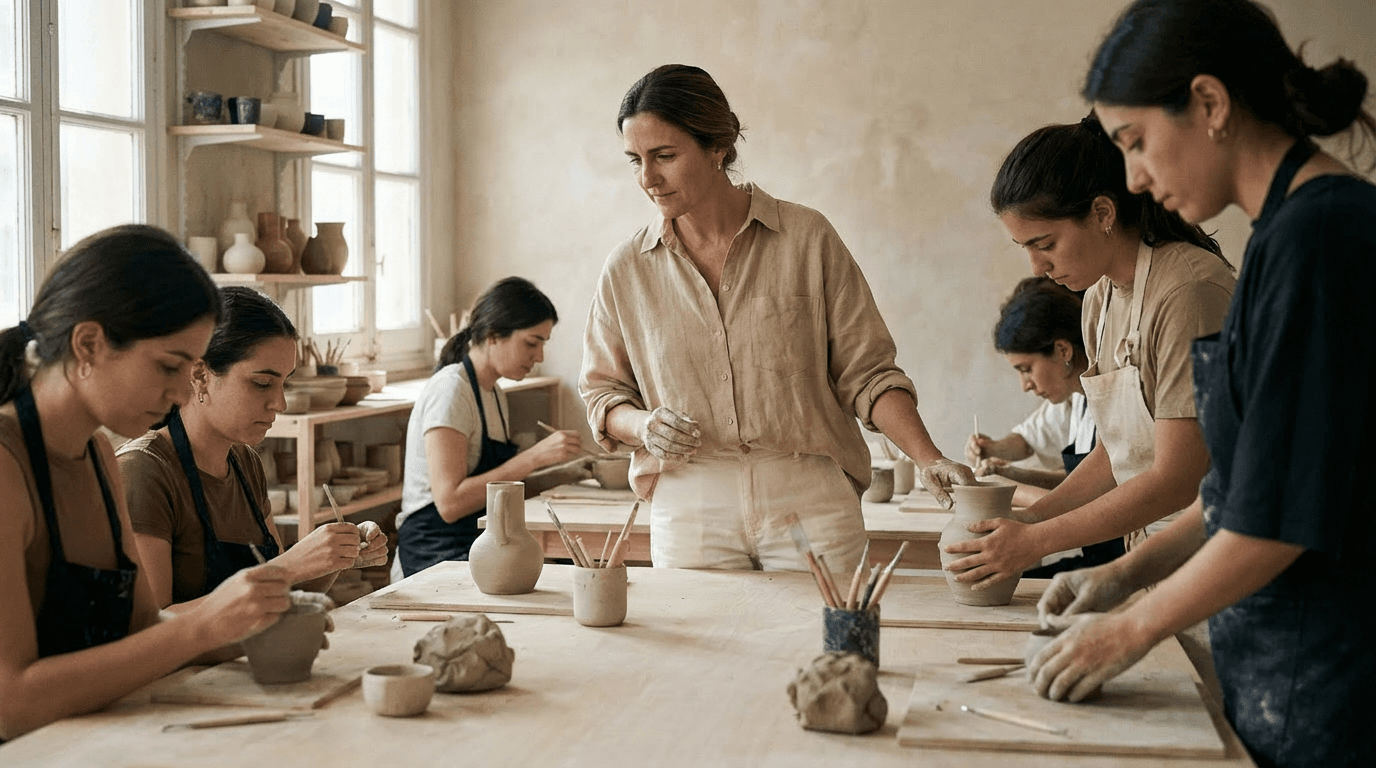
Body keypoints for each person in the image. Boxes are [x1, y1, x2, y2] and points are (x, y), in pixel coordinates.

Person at [1030, 2, 1376, 766]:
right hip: (1278, 662)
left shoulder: (1322, 240)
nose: (1134, 177)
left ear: (1211, 104)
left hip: (1329, 674)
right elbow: (1240, 495)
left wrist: (1128, 631)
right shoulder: (1283, 235)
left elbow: (1276, 522)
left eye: (1137, 141)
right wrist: (1119, 577)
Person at [580, 64, 973, 575]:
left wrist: (928, 458)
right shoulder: (628, 267)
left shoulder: (808, 239)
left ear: (717, 146)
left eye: (665, 156)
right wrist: (644, 425)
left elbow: (868, 373)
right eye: (635, 160)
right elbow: (603, 394)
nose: (648, 178)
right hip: (690, 499)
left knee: (828, 651)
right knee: (699, 656)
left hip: (809, 494)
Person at [0, 226, 290, 740]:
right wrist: (203, 627)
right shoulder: (7, 466)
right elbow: (11, 701)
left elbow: (143, 636)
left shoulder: (96, 456)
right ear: (88, 344)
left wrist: (251, 628)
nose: (183, 392)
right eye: (169, 366)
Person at [944, 114, 1235, 592]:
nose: (1038, 266)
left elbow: (1176, 478)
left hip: (1211, 558)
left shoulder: (1189, 290)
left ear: (1102, 213)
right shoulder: (1099, 300)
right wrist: (1032, 519)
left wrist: (1036, 541)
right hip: (1146, 552)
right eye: (1026, 249)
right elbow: (1117, 451)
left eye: (1045, 244)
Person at [117, 287, 387, 611]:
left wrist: (333, 556)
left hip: (245, 657)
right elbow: (150, 628)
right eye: (262, 383)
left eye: (284, 383)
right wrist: (289, 566)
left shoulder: (245, 462)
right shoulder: (142, 472)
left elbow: (280, 593)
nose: (281, 403)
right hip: (190, 665)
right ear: (200, 375)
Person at [394, 277, 594, 580]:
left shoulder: (494, 393)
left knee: (576, 570)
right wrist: (535, 456)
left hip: (476, 541)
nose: (539, 356)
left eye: (543, 344)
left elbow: (498, 491)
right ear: (492, 336)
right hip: (434, 550)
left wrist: (566, 473)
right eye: (531, 343)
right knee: (563, 581)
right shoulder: (451, 390)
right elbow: (450, 504)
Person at [966, 277, 1095, 509]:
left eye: (1026, 370)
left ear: (1063, 350)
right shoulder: (1074, 399)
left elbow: (1093, 495)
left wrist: (1003, 484)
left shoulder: (1109, 401)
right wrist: (992, 452)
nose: (1025, 385)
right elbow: (1031, 439)